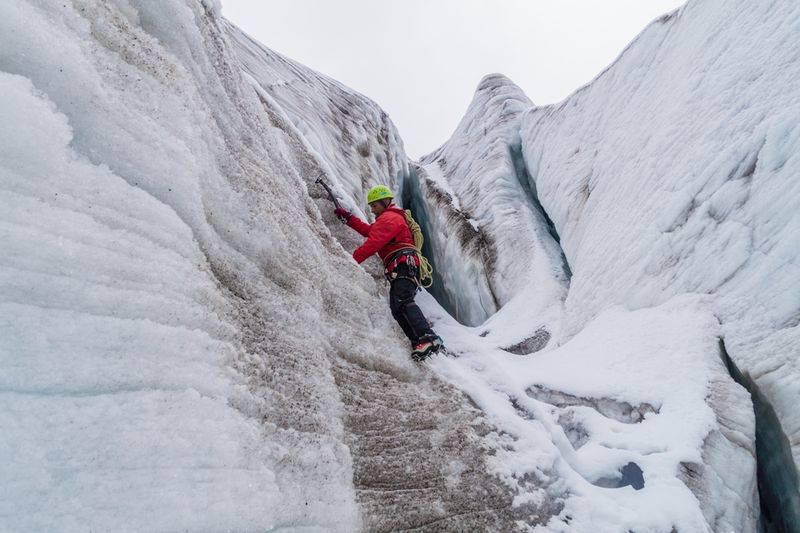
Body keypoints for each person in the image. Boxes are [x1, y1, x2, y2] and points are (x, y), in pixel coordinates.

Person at [335, 185, 443, 360]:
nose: (372, 210)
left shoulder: (389, 218)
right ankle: (418, 342)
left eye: (374, 205)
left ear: (385, 202)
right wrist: (349, 219)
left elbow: (373, 243)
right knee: (397, 307)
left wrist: (349, 261)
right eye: (371, 206)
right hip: (402, 265)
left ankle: (428, 338)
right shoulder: (388, 219)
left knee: (403, 300)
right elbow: (370, 231)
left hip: (403, 264)